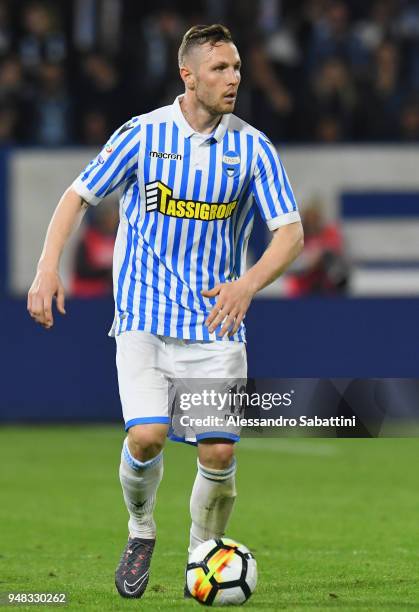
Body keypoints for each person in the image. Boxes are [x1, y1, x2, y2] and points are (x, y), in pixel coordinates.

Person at [27, 24, 303, 600]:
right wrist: (47, 266)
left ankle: (201, 561)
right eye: (220, 69)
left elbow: (291, 234)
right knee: (149, 436)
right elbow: (77, 194)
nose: (233, 79)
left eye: (236, 68)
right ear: (188, 74)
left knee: (219, 451)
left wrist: (248, 284)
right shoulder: (143, 136)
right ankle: (140, 528)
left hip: (215, 323)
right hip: (144, 320)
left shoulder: (252, 147)